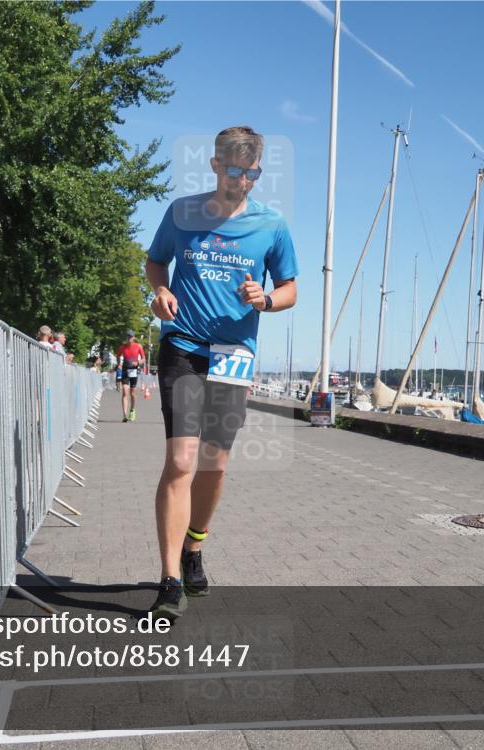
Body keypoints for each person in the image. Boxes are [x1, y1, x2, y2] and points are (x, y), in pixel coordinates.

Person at [144, 126, 298, 620]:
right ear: (214, 166)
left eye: (252, 173)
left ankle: (194, 546)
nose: (243, 181)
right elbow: (154, 262)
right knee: (182, 462)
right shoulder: (182, 213)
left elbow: (290, 288)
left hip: (234, 352)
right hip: (183, 346)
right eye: (234, 171)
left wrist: (267, 299)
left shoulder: (271, 225)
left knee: (215, 463)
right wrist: (161, 292)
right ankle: (169, 581)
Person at [116, 330, 146, 422]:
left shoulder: (138, 346)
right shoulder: (122, 347)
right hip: (125, 370)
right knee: (125, 392)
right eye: (128, 337)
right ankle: (124, 415)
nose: (129, 338)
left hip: (134, 371)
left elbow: (144, 358)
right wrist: (119, 364)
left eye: (131, 337)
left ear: (133, 338)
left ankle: (132, 410)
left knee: (132, 393)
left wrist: (138, 362)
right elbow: (118, 356)